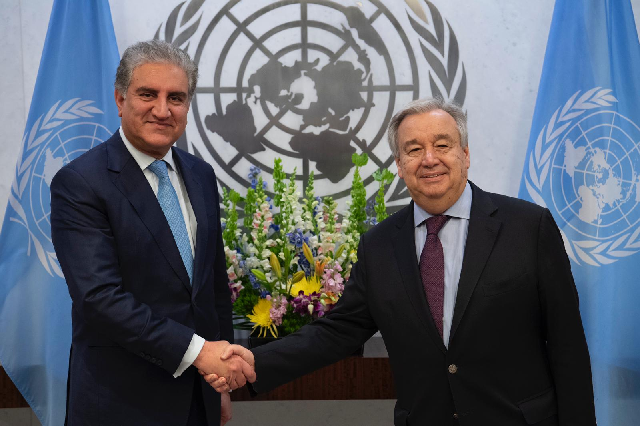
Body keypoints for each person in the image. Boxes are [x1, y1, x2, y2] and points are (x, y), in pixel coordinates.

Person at [206, 98, 597, 425]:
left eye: (442, 145)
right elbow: (337, 332)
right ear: (399, 164)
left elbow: (568, 346)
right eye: (413, 149)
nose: (429, 159)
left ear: (465, 154)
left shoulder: (528, 227)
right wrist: (255, 361)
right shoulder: (379, 245)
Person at [50, 40, 254, 426]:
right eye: (148, 94)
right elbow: (100, 299)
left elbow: (211, 287)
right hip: (120, 403)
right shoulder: (79, 183)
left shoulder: (200, 174)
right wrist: (199, 353)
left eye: (176, 97)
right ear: (120, 99)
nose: (163, 110)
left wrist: (221, 380)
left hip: (199, 397)